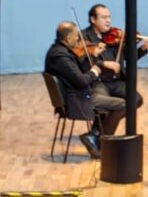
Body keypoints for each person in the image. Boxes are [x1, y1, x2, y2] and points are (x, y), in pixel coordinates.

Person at [44, 22, 125, 157]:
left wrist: (95, 58)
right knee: (123, 105)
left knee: (103, 92)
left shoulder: (59, 50)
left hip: (78, 94)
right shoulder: (60, 57)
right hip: (77, 100)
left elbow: (80, 68)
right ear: (68, 39)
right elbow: (82, 80)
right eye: (76, 36)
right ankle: (98, 141)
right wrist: (95, 71)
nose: (79, 39)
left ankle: (94, 136)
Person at [82, 3, 148, 112]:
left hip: (116, 81)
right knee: (105, 106)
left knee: (136, 100)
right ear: (93, 19)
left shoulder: (115, 35)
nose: (108, 21)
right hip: (98, 81)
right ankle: (104, 123)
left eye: (109, 17)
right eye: (104, 17)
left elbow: (129, 58)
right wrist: (103, 64)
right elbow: (83, 62)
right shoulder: (84, 37)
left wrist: (142, 49)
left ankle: (108, 123)